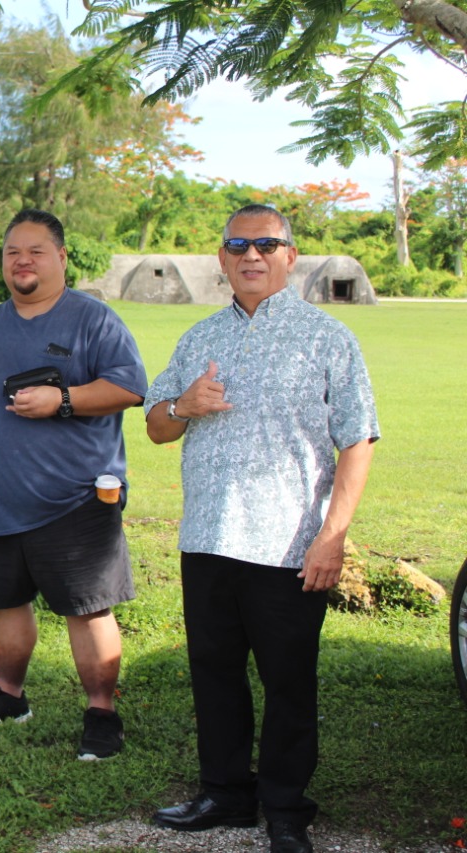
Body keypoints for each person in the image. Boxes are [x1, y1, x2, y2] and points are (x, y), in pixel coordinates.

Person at [143, 204, 379, 853]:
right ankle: (224, 790)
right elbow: (156, 425)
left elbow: (358, 440)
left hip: (290, 545)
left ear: (289, 255)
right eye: (239, 245)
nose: (252, 255)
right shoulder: (199, 338)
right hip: (209, 538)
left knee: (288, 682)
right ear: (221, 258)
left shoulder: (329, 338)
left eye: (266, 244)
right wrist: (182, 404)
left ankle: (284, 807)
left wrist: (332, 536)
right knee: (214, 672)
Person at [0, 208, 147, 760]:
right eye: (12, 253)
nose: (22, 261)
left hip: (73, 498)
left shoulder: (92, 320)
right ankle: (7, 696)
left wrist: (63, 400)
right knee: (5, 604)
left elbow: (129, 387)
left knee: (87, 608)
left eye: (35, 251)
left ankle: (101, 711)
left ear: (62, 258)